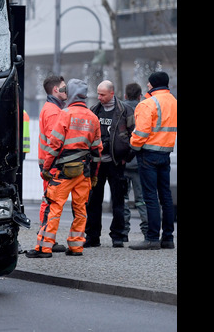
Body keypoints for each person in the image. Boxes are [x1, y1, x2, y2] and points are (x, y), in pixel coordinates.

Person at [26, 78, 103, 258]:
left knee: (54, 207)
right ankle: (76, 247)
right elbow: (98, 150)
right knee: (80, 209)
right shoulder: (93, 117)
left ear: (72, 93)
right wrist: (94, 175)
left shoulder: (65, 114)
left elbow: (54, 145)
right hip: (83, 172)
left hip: (63, 172)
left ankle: (44, 248)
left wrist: (46, 168)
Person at [129, 71, 177, 250]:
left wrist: (132, 146)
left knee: (150, 197)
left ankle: (152, 239)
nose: (147, 86)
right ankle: (168, 238)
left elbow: (140, 133)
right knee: (166, 197)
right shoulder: (174, 102)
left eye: (149, 83)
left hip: (148, 154)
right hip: (165, 154)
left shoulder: (148, 104)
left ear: (154, 84)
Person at [83, 80, 135, 248]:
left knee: (118, 202)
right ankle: (92, 236)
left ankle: (118, 236)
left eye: (102, 94)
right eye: (98, 94)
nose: (99, 97)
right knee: (93, 201)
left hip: (116, 163)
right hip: (97, 163)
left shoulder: (124, 111)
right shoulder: (94, 110)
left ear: (112, 93)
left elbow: (134, 134)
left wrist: (126, 157)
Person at [33, 75, 68, 253]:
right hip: (52, 164)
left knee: (49, 200)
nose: (66, 90)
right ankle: (46, 239)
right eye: (63, 88)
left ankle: (46, 238)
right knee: (50, 202)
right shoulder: (54, 111)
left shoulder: (49, 108)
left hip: (48, 163)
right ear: (56, 90)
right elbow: (56, 141)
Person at [121, 82, 148, 239]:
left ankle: (123, 232)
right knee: (142, 200)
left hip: (123, 162)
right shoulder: (145, 109)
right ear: (140, 96)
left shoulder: (120, 109)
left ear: (125, 95)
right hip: (139, 162)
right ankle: (147, 232)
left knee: (123, 199)